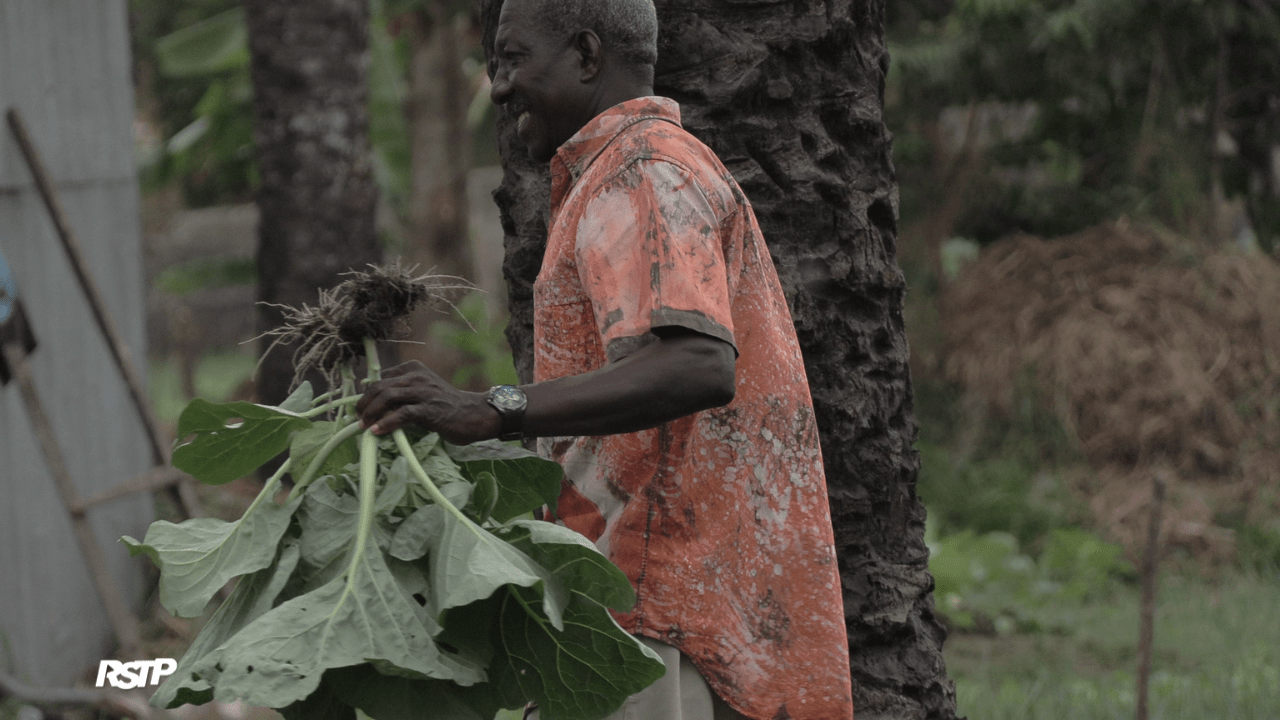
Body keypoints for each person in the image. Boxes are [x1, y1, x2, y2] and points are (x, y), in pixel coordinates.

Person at [356, 0, 854, 717]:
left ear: (587, 56)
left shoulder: (645, 173)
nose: (497, 86)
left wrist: (490, 410)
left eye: (513, 58)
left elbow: (696, 365)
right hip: (646, 599)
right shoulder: (625, 173)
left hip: (655, 604)